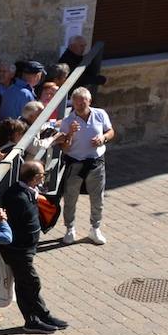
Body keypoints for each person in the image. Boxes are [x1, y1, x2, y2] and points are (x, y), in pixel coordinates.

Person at [0, 161, 70, 335]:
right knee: (31, 283)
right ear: (36, 178)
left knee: (26, 284)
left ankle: (38, 317)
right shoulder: (18, 198)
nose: (44, 177)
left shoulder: (28, 192)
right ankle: (36, 318)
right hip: (18, 251)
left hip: (25, 249)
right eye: (42, 175)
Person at [56, 86, 114, 246]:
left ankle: (95, 228)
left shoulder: (100, 114)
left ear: (90, 101)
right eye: (77, 103)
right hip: (75, 162)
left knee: (97, 198)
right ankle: (70, 229)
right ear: (73, 103)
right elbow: (65, 148)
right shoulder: (68, 121)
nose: (80, 106)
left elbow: (110, 131)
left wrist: (103, 139)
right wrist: (71, 133)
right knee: (70, 198)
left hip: (96, 162)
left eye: (83, 102)